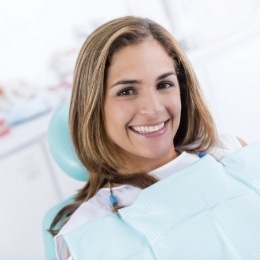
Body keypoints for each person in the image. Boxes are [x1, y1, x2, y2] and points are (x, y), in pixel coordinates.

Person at [50, 16, 256, 259]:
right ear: (93, 106)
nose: (154, 108)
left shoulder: (230, 152)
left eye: (164, 84)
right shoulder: (91, 234)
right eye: (127, 91)